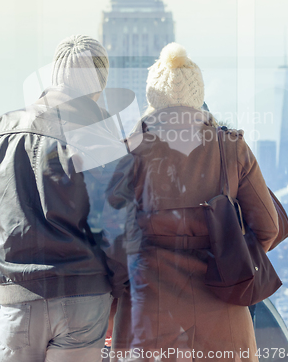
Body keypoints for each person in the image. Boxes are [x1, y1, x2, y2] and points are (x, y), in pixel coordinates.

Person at [110, 43, 279, 362]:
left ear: (152, 97)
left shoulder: (127, 152)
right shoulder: (231, 147)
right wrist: (230, 256)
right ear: (197, 95)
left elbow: (108, 241)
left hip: (148, 314)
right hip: (222, 308)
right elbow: (268, 229)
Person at [0, 35, 132, 362]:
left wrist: (0, 276)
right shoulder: (102, 138)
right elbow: (119, 229)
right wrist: (115, 290)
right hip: (84, 299)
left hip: (17, 300)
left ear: (54, 77)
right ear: (98, 88)